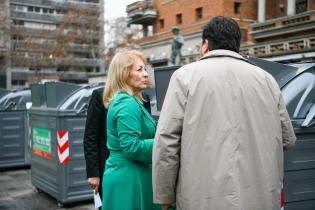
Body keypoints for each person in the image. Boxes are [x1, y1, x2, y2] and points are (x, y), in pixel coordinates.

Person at [152, 16, 296, 210]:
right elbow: (288, 139)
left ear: (205, 45)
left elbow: (167, 140)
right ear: (237, 45)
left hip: (201, 198)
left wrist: (165, 195)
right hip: (259, 197)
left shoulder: (185, 77)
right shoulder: (266, 80)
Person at [101, 50, 160, 210]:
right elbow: (132, 147)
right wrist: (164, 143)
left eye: (145, 69)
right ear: (124, 74)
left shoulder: (127, 101)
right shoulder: (127, 104)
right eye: (139, 69)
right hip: (130, 179)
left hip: (129, 176)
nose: (146, 74)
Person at [83, 86, 152, 209]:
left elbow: (145, 133)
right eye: (139, 69)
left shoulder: (143, 97)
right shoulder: (100, 95)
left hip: (139, 167)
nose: (145, 74)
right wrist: (93, 173)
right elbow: (90, 136)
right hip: (109, 167)